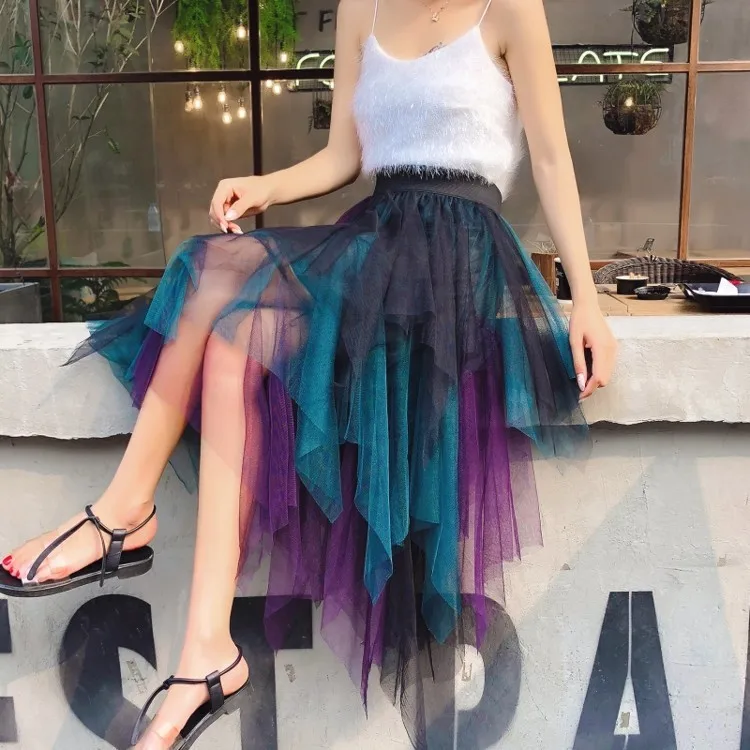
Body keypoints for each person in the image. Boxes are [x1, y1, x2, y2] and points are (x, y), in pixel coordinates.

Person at [0, 0, 617, 747]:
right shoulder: (364, 7)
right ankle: (205, 646)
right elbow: (344, 157)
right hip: (378, 238)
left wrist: (586, 299)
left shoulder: (510, 7)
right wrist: (268, 186)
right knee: (228, 328)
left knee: (215, 276)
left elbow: (550, 157)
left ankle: (123, 516)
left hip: (457, 254)